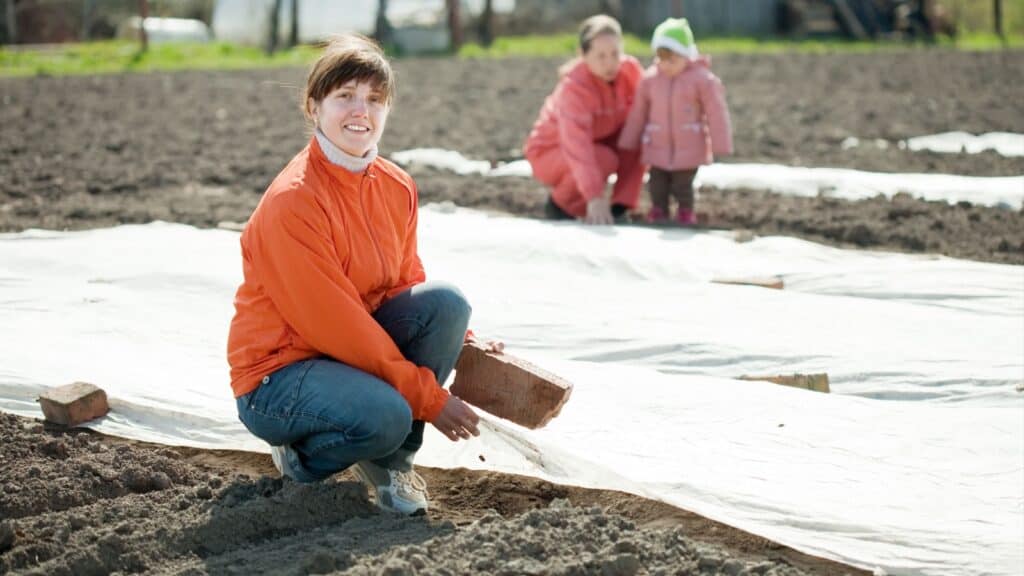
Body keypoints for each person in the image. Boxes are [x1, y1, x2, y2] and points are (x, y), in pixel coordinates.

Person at [226, 34, 482, 516]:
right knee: (388, 414)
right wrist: (428, 398)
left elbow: (406, 280)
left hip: (344, 353)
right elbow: (338, 326)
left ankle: (391, 465)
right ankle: (301, 461)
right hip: (278, 374)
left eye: (374, 99)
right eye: (344, 96)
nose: (360, 111)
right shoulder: (294, 202)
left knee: (447, 304)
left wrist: (468, 340)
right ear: (314, 105)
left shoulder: (396, 184)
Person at [524, 14, 645, 225]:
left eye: (615, 53)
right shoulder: (574, 88)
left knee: (640, 138)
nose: (610, 63)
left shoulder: (631, 72)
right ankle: (559, 206)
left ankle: (619, 208)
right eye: (601, 56)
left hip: (599, 140)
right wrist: (594, 197)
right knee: (604, 159)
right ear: (583, 55)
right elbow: (576, 145)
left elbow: (652, 104)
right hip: (551, 151)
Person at [618, 18, 733, 225]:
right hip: (657, 145)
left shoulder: (702, 80)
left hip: (689, 147)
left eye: (672, 59)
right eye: (661, 58)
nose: (666, 65)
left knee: (683, 184)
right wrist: (629, 140)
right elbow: (638, 113)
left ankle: (685, 211)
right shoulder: (650, 81)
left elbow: (716, 112)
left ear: (686, 55)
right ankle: (659, 210)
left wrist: (720, 144)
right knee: (657, 184)